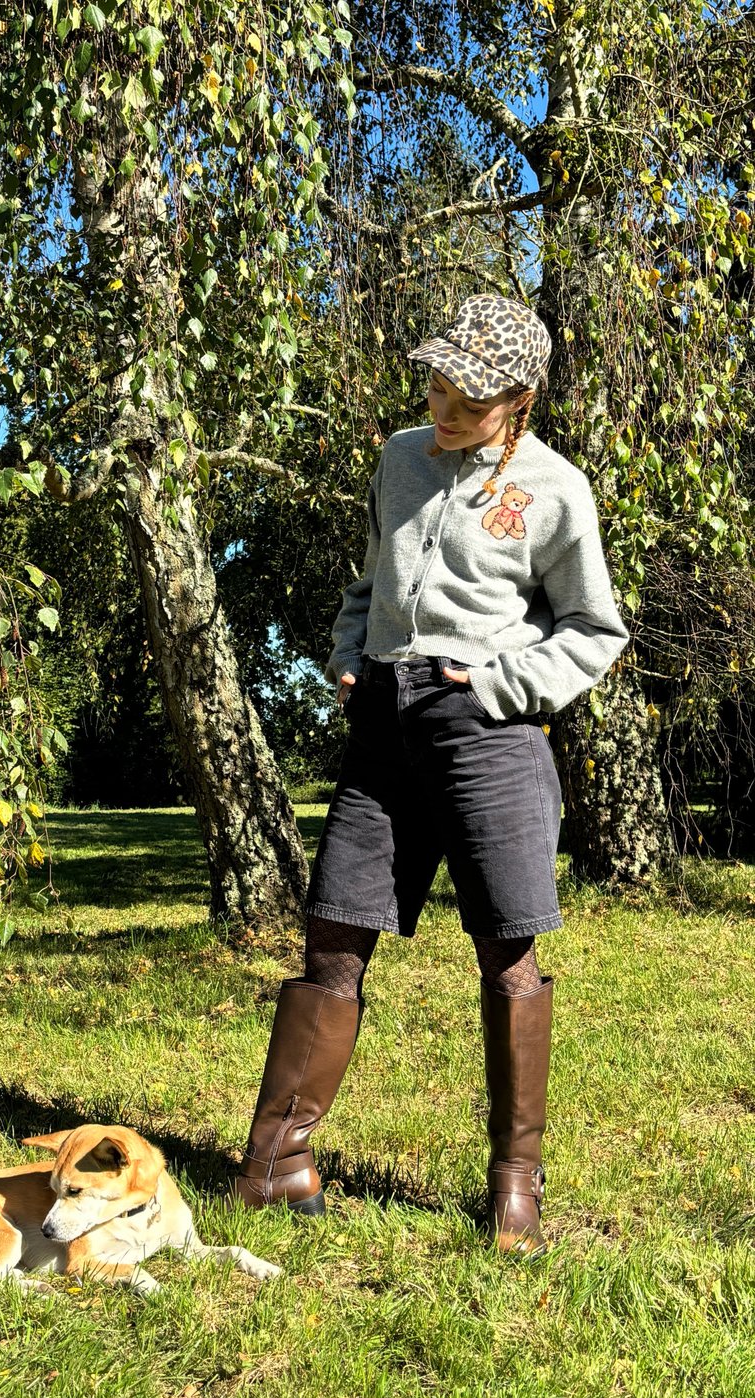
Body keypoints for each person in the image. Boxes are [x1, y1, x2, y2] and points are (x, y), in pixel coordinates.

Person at [231, 294, 629, 1255]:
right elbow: (371, 578)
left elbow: (593, 628)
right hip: (382, 725)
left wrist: (499, 685)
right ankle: (277, 1160)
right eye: (438, 387)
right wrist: (348, 652)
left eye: (469, 400)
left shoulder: (556, 489)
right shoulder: (401, 457)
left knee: (506, 949)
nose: (444, 410)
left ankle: (514, 1187)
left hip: (485, 729)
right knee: (335, 929)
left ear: (520, 399)